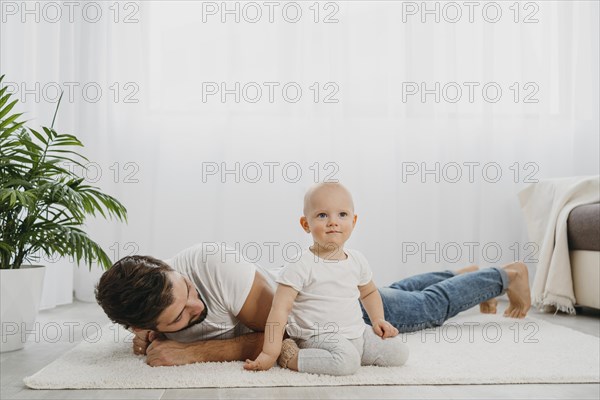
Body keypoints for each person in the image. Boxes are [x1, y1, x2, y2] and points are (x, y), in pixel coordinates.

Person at [95, 203, 531, 368]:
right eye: (179, 317)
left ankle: (504, 276)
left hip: (323, 312)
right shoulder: (138, 307)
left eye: (186, 288)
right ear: (137, 325)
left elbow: (281, 336)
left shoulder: (213, 266)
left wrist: (189, 352)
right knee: (392, 290)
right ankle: (460, 274)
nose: (194, 303)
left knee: (422, 310)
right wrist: (155, 336)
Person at [243, 182, 409, 375]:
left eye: (342, 214)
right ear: (306, 224)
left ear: (353, 221)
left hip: (356, 333)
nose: (333, 222)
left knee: (398, 352)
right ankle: (291, 356)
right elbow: (280, 309)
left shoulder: (357, 260)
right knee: (346, 362)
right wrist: (269, 352)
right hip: (317, 336)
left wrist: (378, 319)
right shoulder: (301, 264)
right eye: (322, 215)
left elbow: (369, 292)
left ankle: (351, 355)